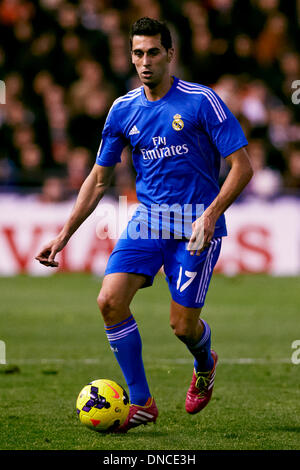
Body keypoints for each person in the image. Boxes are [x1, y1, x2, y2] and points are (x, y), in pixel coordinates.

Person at [36, 17, 253, 433]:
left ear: (170, 54)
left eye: (153, 52)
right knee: (109, 301)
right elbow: (99, 178)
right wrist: (63, 235)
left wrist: (210, 215)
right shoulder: (122, 109)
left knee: (182, 327)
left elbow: (242, 167)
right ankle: (142, 402)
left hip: (195, 229)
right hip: (147, 222)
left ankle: (205, 362)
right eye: (138, 53)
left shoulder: (201, 101)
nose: (145, 61)